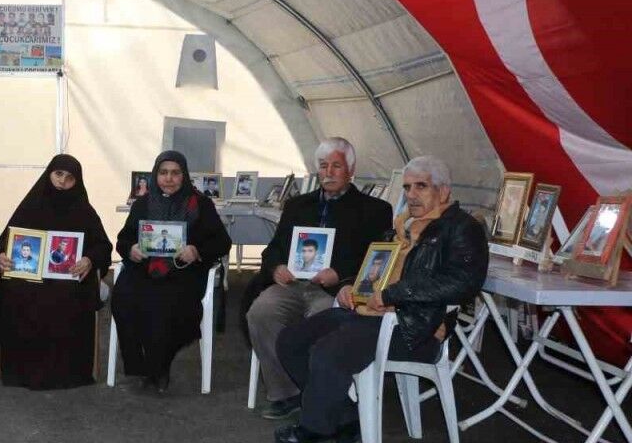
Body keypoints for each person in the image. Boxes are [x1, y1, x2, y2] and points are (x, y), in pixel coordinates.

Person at [274, 156, 489, 443]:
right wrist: (350, 286)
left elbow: (463, 283)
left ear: (444, 191)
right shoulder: (401, 225)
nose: (411, 194)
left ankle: (316, 430)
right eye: (407, 187)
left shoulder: (461, 228)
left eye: (421, 186)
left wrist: (393, 295)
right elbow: (374, 269)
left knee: (330, 350)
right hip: (371, 314)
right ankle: (345, 418)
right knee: (291, 340)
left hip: (416, 328)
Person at [245, 138, 393, 420]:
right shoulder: (297, 205)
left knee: (322, 321)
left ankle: (320, 397)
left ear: (351, 170)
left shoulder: (375, 210)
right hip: (293, 285)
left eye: (336, 166)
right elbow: (274, 249)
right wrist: (276, 268)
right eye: (324, 166)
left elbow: (377, 259)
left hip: (338, 290)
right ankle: (287, 393)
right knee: (261, 312)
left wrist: (340, 273)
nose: (329, 172)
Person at [111, 151, 232, 393]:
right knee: (124, 298)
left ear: (184, 175)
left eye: (175, 173)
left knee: (165, 304)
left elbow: (222, 242)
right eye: (163, 172)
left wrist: (197, 251)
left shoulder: (200, 204)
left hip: (183, 273)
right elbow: (123, 239)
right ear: (155, 175)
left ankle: (159, 366)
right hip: (145, 269)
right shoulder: (143, 204)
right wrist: (131, 249)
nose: (169, 178)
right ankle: (141, 366)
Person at [0, 155, 113, 389]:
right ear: (49, 173)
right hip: (29, 276)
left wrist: (89, 260)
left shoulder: (84, 211)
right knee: (16, 292)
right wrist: (1, 256)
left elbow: (103, 246)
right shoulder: (31, 205)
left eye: (69, 178)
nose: (62, 181)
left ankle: (66, 372)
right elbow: (4, 241)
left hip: (68, 278)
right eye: (58, 174)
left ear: (77, 182)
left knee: (64, 295)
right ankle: (21, 371)